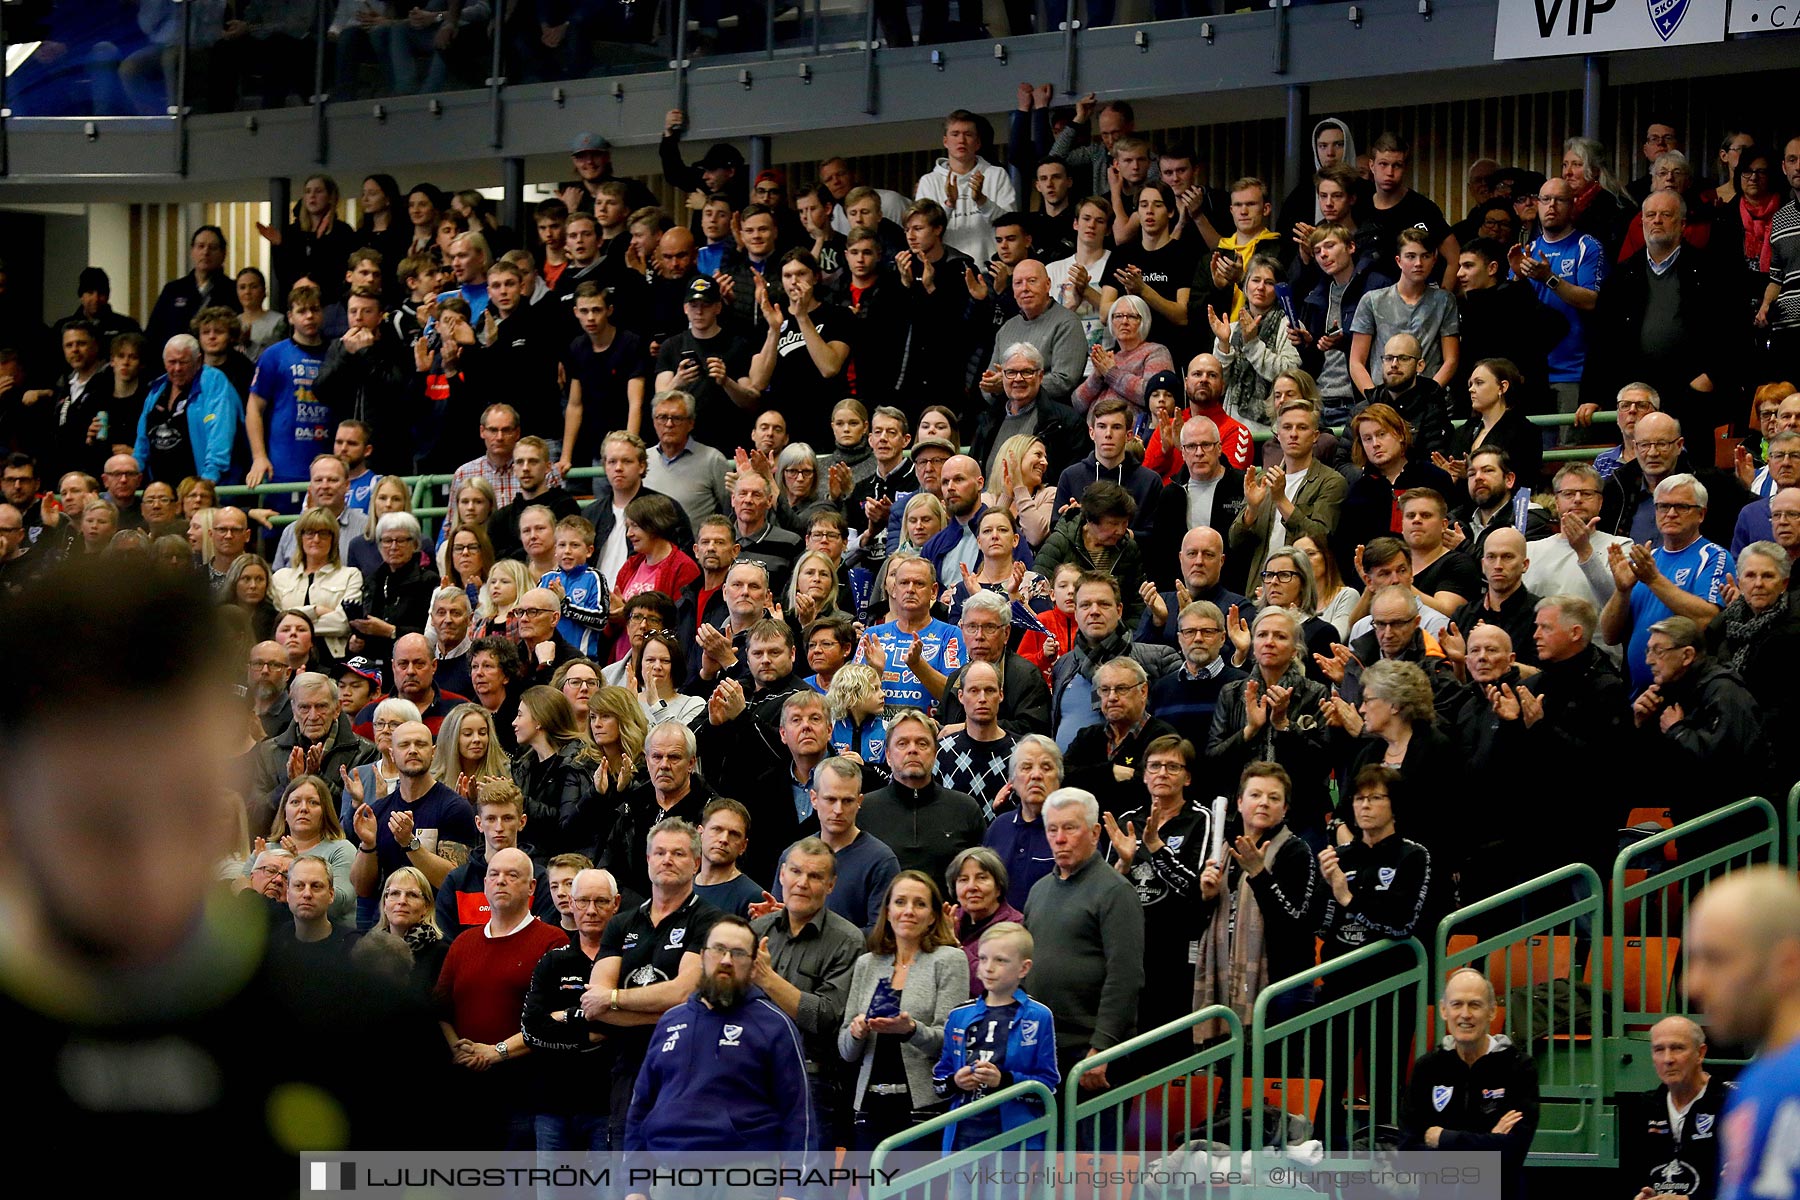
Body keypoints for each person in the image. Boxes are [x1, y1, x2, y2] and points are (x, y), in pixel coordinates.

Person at [622, 912, 811, 1172]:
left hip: (744, 1175)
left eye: (738, 953)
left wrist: (794, 1189)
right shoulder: (670, 1021)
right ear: (702, 956)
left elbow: (798, 1115)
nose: (726, 960)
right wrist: (634, 1184)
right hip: (668, 1173)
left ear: (754, 963)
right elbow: (640, 1107)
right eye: (718, 949)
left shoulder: (775, 1026)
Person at [433, 846, 569, 1148]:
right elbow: (441, 1009)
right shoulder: (463, 943)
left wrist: (497, 1051)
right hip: (465, 1088)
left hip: (524, 1091)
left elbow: (554, 1018)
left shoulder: (553, 940)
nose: (501, 881)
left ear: (532, 887)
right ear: (484, 885)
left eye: (512, 875)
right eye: (493, 874)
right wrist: (460, 1050)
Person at [1685, 868, 1800, 1200]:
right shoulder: (1752, 1085)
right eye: (1693, 960)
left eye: (1715, 959)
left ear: (1787, 964)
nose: (1692, 984)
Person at [837, 869, 970, 1150]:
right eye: (900, 902)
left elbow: (950, 1043)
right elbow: (846, 1051)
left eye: (919, 904)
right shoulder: (868, 963)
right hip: (869, 1108)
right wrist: (857, 1031)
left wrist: (911, 1030)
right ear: (887, 910)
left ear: (933, 915)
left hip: (922, 1110)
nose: (908, 911)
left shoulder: (949, 960)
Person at [1400, 969, 1540, 1200]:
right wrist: (1489, 1143)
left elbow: (1512, 1151)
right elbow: (1409, 1153)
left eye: (1475, 1005)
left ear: (1492, 1011)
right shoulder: (1427, 1068)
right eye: (1457, 1005)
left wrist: (1443, 1138)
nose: (1465, 1014)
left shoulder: (1519, 1068)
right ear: (1444, 1010)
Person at [1631, 616, 1768, 838]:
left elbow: (1725, 764)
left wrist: (1679, 732)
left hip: (1732, 829)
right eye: (1648, 651)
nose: (1649, 660)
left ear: (1687, 655)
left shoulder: (1724, 692)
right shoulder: (1666, 692)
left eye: (1659, 651)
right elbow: (1651, 767)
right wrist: (1640, 724)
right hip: (1692, 821)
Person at [930, 921, 1061, 1155]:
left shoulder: (1039, 1016)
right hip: (963, 1135)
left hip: (1015, 1140)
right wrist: (955, 1082)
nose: (988, 968)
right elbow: (940, 1081)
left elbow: (1048, 1087)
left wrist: (1005, 1081)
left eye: (1000, 960)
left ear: (1024, 968)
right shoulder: (959, 1016)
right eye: (982, 958)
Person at [520, 867, 622, 1158]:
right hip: (552, 1106)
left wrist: (565, 1015)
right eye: (583, 901)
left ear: (616, 903)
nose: (591, 910)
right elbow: (531, 1030)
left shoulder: (629, 961)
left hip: (608, 1106)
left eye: (601, 901)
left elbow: (628, 1028)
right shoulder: (553, 961)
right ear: (572, 904)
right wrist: (589, 1031)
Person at [1601, 474, 1734, 693]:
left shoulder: (1712, 556)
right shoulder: (1646, 559)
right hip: (1640, 696)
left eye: (1681, 507)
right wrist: (1622, 591)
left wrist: (1654, 579)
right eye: (1663, 506)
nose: (1670, 514)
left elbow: (1708, 620)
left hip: (1689, 695)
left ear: (1701, 514)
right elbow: (1609, 635)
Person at [1232, 395, 1347, 589]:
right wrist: (1251, 511)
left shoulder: (1331, 482)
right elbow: (1235, 542)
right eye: (1287, 427)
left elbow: (1321, 538)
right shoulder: (1262, 481)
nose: (1293, 434)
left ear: (1315, 436)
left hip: (1305, 591)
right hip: (1260, 589)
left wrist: (1281, 500)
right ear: (1278, 435)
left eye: (1302, 428)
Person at [859, 710, 986, 885]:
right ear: (888, 755)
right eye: (902, 743)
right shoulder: (864, 810)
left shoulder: (965, 809)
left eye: (922, 743)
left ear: (935, 753)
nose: (912, 750)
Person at [1336, 403, 1457, 580]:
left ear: (1400, 435)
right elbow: (1346, 551)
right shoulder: (1359, 491)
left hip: (1432, 576)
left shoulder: (1434, 478)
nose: (1375, 444)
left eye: (1381, 434)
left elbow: (1453, 525)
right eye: (1367, 439)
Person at [1618, 1016, 1729, 1200]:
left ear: (1700, 1053)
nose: (1667, 1059)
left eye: (1677, 1048)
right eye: (1659, 1050)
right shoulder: (1641, 1107)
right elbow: (1630, 1179)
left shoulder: (1730, 1103)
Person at [691, 798, 764, 918]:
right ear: (700, 833)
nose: (724, 839)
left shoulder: (753, 898)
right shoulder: (682, 887)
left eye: (734, 834)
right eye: (717, 829)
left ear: (743, 846)